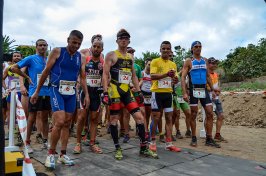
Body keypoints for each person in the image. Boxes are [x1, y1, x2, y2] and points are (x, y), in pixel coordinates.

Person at [31, 30, 89, 169]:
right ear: (68, 40)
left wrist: (86, 94)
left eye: (79, 44)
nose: (76, 45)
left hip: (71, 92)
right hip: (56, 89)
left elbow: (82, 76)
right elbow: (46, 72)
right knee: (59, 121)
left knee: (67, 123)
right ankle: (51, 154)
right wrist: (37, 92)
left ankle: (62, 154)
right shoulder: (57, 51)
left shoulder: (80, 57)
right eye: (74, 42)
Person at [102, 29, 157, 160]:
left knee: (139, 117)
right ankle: (117, 148)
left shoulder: (130, 57)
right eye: (121, 37)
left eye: (126, 38)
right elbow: (105, 74)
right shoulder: (111, 55)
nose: (123, 39)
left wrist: (138, 92)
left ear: (129, 41)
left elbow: (133, 76)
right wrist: (105, 92)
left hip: (127, 91)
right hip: (114, 90)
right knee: (114, 120)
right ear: (117, 40)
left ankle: (143, 148)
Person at [11, 39, 51, 152]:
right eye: (40, 45)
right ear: (36, 47)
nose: (43, 47)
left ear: (47, 46)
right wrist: (26, 77)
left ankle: (45, 141)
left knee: (45, 118)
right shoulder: (31, 58)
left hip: (47, 92)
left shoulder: (48, 60)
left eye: (44, 45)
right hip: (34, 93)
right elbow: (14, 68)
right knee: (32, 117)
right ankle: (27, 143)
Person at [181, 41, 220, 148]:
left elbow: (207, 76)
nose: (198, 48)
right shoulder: (189, 61)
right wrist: (184, 93)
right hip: (193, 90)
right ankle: (193, 137)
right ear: (192, 49)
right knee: (193, 114)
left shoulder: (205, 60)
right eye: (196, 47)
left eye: (200, 46)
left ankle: (209, 138)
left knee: (210, 113)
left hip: (204, 89)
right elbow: (183, 77)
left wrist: (212, 90)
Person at [149, 41, 181, 154]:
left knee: (169, 118)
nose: (166, 50)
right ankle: (152, 142)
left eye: (168, 49)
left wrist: (175, 79)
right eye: (164, 48)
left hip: (168, 93)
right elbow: (152, 76)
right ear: (160, 49)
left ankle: (169, 143)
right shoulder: (155, 61)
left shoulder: (173, 64)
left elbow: (175, 78)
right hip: (157, 93)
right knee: (156, 118)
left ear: (170, 50)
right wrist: (166, 74)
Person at [73, 39, 104, 154]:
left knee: (94, 119)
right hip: (84, 92)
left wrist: (104, 89)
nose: (96, 48)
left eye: (98, 47)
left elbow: (107, 77)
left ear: (102, 49)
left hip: (97, 93)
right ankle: (78, 143)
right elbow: (81, 77)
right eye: (94, 46)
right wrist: (86, 94)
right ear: (91, 47)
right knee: (81, 117)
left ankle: (92, 142)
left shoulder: (103, 63)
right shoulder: (85, 60)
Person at [122, 46, 146, 143]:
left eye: (133, 52)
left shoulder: (137, 66)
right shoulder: (121, 64)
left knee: (141, 111)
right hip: (125, 91)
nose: (132, 53)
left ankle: (139, 131)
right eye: (130, 52)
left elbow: (140, 79)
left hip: (136, 91)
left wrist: (137, 86)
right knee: (126, 113)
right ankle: (126, 134)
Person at [207, 57, 227, 143]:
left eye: (215, 63)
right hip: (208, 97)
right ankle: (209, 135)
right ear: (208, 64)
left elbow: (216, 85)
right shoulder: (205, 74)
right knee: (209, 116)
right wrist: (214, 90)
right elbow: (205, 87)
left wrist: (218, 90)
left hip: (216, 97)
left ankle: (217, 134)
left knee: (221, 115)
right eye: (212, 63)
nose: (215, 65)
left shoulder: (215, 74)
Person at [140, 58, 152, 138]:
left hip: (150, 94)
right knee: (142, 114)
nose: (150, 66)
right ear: (145, 64)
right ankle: (144, 131)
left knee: (148, 114)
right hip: (142, 94)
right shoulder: (142, 73)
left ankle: (146, 129)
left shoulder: (152, 74)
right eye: (149, 65)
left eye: (151, 65)